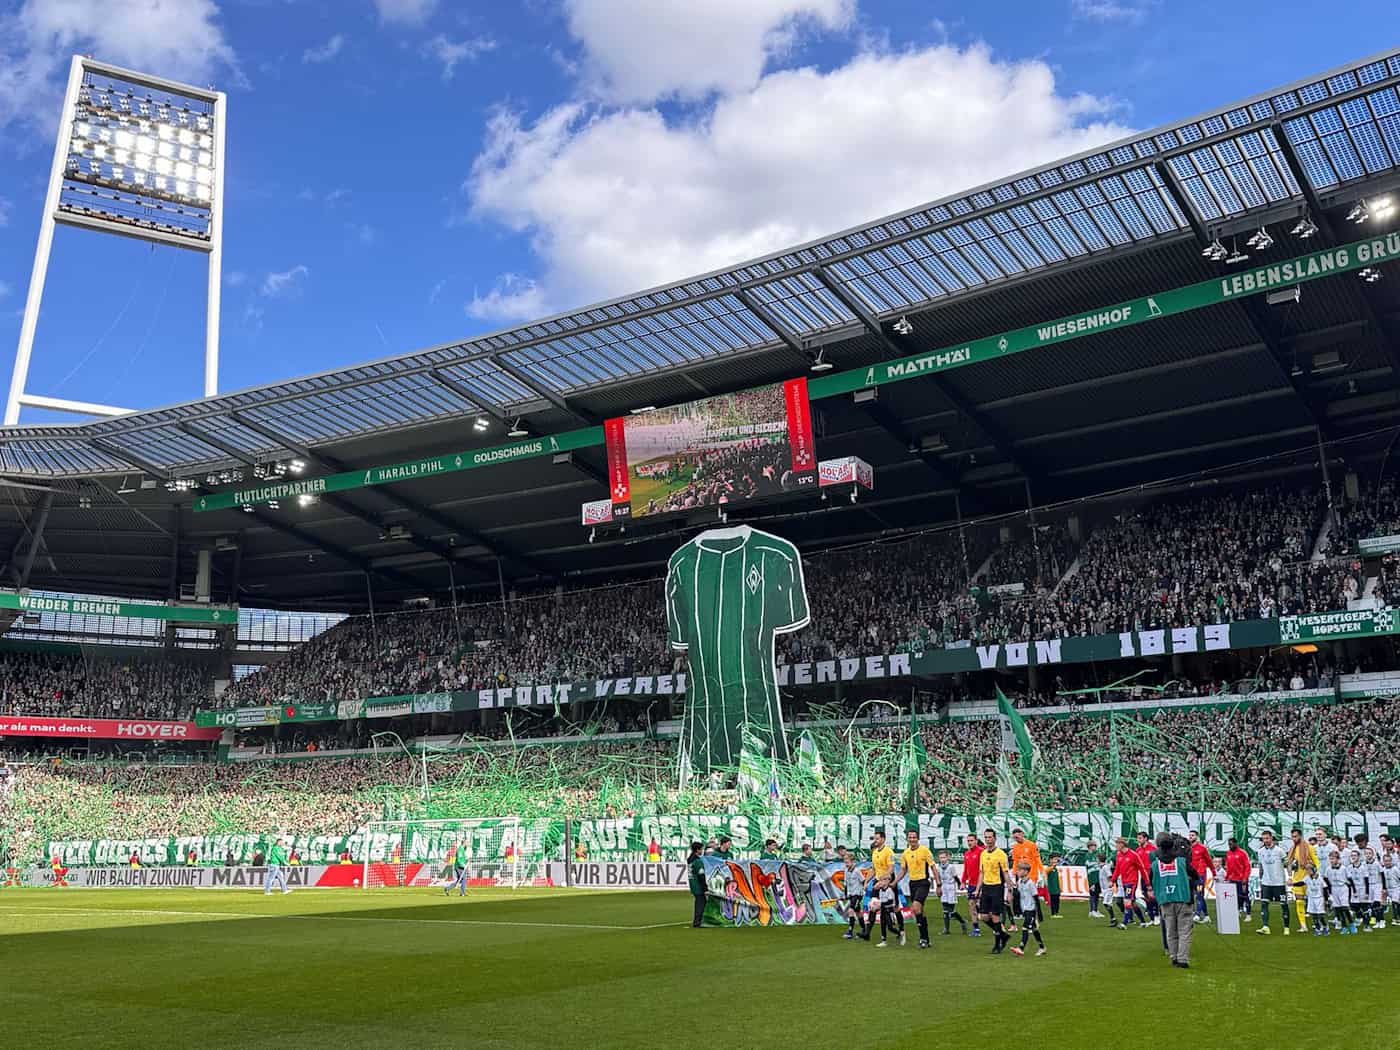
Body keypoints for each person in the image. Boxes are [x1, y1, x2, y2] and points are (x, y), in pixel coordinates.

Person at [1145, 832, 1195, 969]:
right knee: (1184, 930)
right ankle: (1182, 959)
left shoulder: (1154, 864)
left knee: (1170, 930)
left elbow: (1149, 880)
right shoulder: (1181, 861)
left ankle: (1173, 957)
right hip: (1183, 898)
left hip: (1165, 899)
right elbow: (1194, 874)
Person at [897, 829, 937, 949]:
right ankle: (926, 939)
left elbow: (933, 867)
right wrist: (894, 882)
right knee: (920, 911)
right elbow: (903, 870)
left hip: (924, 882)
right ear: (907, 839)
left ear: (918, 838)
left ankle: (923, 938)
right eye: (910, 837)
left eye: (914, 837)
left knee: (915, 907)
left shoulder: (924, 850)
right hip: (912, 883)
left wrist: (938, 883)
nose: (912, 839)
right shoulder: (905, 853)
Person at [977, 829, 1010, 954]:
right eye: (986, 837)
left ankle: (997, 944)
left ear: (995, 838)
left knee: (995, 916)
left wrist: (1010, 889)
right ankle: (1003, 935)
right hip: (986, 887)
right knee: (984, 916)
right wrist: (977, 889)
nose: (988, 840)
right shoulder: (983, 854)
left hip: (997, 887)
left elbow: (1005, 873)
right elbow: (981, 872)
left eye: (990, 837)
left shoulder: (1001, 854)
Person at [867, 831, 903, 945]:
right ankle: (867, 932)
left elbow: (891, 868)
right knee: (873, 906)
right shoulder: (874, 853)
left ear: (883, 839)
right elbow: (873, 869)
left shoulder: (889, 851)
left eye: (877, 839)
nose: (875, 841)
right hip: (878, 882)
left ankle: (900, 930)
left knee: (895, 908)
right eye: (875, 839)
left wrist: (883, 881)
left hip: (889, 883)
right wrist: (866, 881)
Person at [1007, 861, 1045, 957]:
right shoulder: (1019, 882)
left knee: (1025, 927)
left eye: (1019, 870)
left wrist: (1039, 914)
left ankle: (1021, 948)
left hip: (1031, 910)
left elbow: (1036, 898)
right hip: (1025, 909)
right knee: (1034, 929)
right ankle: (1042, 947)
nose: (1018, 872)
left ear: (1026, 872)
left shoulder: (1030, 883)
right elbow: (1018, 895)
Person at [1256, 829, 1290, 935]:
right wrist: (1260, 879)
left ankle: (1286, 928)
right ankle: (1265, 927)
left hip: (1279, 883)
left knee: (1283, 905)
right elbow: (1261, 866)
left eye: (1267, 838)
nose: (1265, 840)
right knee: (1264, 904)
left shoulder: (1279, 851)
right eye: (1263, 839)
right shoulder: (1260, 851)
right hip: (1266, 883)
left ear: (1271, 838)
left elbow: (1287, 863)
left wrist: (1290, 877)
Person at [1112, 837, 1148, 929]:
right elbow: (1117, 868)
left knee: (1127, 902)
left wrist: (1147, 883)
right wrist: (1113, 879)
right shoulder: (1119, 854)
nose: (1116, 845)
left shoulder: (1133, 855)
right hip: (1124, 881)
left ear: (1122, 844)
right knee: (1132, 903)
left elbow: (1142, 868)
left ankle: (1124, 923)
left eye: (1117, 843)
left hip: (1132, 882)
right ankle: (1143, 922)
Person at [1287, 827, 1318, 931]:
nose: (1294, 838)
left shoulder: (1309, 847)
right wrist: (1290, 877)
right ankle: (1303, 925)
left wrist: (1315, 873)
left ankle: (1316, 922)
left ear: (1300, 836)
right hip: (1297, 879)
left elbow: (1316, 861)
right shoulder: (1292, 849)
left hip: (1308, 879)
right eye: (1292, 837)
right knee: (1299, 902)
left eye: (1295, 836)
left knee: (1314, 902)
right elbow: (1289, 864)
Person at [936, 849, 968, 935]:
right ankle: (946, 929)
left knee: (950, 910)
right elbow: (938, 878)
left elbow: (955, 877)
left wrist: (960, 885)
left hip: (950, 888)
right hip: (943, 888)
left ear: (948, 858)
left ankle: (962, 921)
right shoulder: (938, 867)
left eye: (944, 857)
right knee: (945, 910)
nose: (942, 859)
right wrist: (938, 888)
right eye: (941, 858)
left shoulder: (951, 867)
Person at [1187, 831, 1214, 924]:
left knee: (1199, 894)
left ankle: (1197, 914)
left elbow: (1209, 861)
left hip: (1200, 876)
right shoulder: (1187, 848)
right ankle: (1206, 915)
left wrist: (1214, 872)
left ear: (1197, 837)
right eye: (1189, 835)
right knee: (1197, 895)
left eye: (1192, 835)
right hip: (1190, 876)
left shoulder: (1202, 848)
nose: (1190, 837)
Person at [841, 849, 869, 941]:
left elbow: (863, 881)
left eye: (847, 861)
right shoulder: (845, 871)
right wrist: (845, 894)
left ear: (852, 861)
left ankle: (850, 931)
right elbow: (846, 884)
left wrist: (863, 890)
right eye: (845, 861)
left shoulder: (857, 871)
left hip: (858, 895)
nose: (846, 863)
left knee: (850, 911)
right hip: (851, 894)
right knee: (858, 913)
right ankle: (864, 929)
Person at [1223, 837, 1252, 924]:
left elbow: (1247, 866)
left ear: (1236, 844)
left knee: (1245, 896)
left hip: (1241, 879)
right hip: (1232, 879)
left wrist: (1245, 877)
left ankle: (1248, 914)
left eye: (1231, 844)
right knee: (1234, 897)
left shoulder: (1242, 853)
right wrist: (1227, 877)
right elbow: (1228, 867)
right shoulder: (1228, 853)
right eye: (1229, 844)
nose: (1230, 846)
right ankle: (1238, 911)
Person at [1134, 831, 1160, 926]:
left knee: (1153, 896)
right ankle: (1152, 918)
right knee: (1146, 896)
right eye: (1138, 838)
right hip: (1143, 876)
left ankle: (1157, 915)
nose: (1138, 840)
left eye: (1140, 838)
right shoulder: (1138, 850)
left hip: (1152, 875)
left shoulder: (1153, 849)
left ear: (1145, 838)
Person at [1326, 852, 1355, 935]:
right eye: (1330, 859)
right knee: (1338, 909)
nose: (1331, 860)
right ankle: (1344, 926)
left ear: (1338, 859)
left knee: (1344, 908)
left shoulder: (1343, 868)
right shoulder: (1328, 869)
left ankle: (1351, 924)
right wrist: (1329, 892)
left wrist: (1354, 890)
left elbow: (1350, 879)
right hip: (1334, 889)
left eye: (1333, 858)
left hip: (1343, 888)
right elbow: (1327, 880)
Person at [961, 832, 983, 937]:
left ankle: (998, 925)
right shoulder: (966, 854)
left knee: (985, 907)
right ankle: (976, 928)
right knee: (971, 905)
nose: (969, 842)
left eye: (971, 840)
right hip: (971, 884)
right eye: (968, 841)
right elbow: (966, 869)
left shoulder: (981, 852)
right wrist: (962, 881)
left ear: (976, 841)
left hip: (982, 883)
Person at [870, 876, 899, 947]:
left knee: (890, 927)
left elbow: (890, 901)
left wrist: (880, 904)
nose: (879, 883)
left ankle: (899, 933)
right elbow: (881, 901)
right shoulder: (880, 890)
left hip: (889, 910)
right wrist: (876, 907)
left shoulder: (889, 890)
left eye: (881, 881)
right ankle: (884, 941)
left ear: (887, 882)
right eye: (879, 881)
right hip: (883, 910)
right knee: (882, 925)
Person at [1303, 865, 1329, 935]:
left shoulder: (1320, 878)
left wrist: (1326, 900)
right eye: (1307, 870)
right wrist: (1293, 884)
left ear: (1314, 870)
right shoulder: (1307, 878)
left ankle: (1325, 927)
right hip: (1311, 898)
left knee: (1320, 915)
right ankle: (1318, 929)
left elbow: (1325, 888)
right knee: (1314, 915)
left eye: (1309, 869)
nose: (1308, 871)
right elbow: (1302, 883)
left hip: (1319, 899)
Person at [686, 842, 706, 928]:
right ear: (697, 850)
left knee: (700, 902)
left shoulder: (690, 859)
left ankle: (698, 921)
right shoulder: (697, 861)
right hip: (698, 886)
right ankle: (697, 922)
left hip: (693, 884)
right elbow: (701, 875)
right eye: (701, 849)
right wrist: (705, 888)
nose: (702, 851)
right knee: (700, 903)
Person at [1096, 854, 1117, 925]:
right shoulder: (1101, 867)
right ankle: (1113, 919)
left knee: (1106, 903)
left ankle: (1113, 919)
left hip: (1108, 888)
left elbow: (1109, 876)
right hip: (1104, 889)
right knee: (1106, 903)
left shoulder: (1105, 867)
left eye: (1097, 859)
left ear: (1099, 859)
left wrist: (1111, 883)